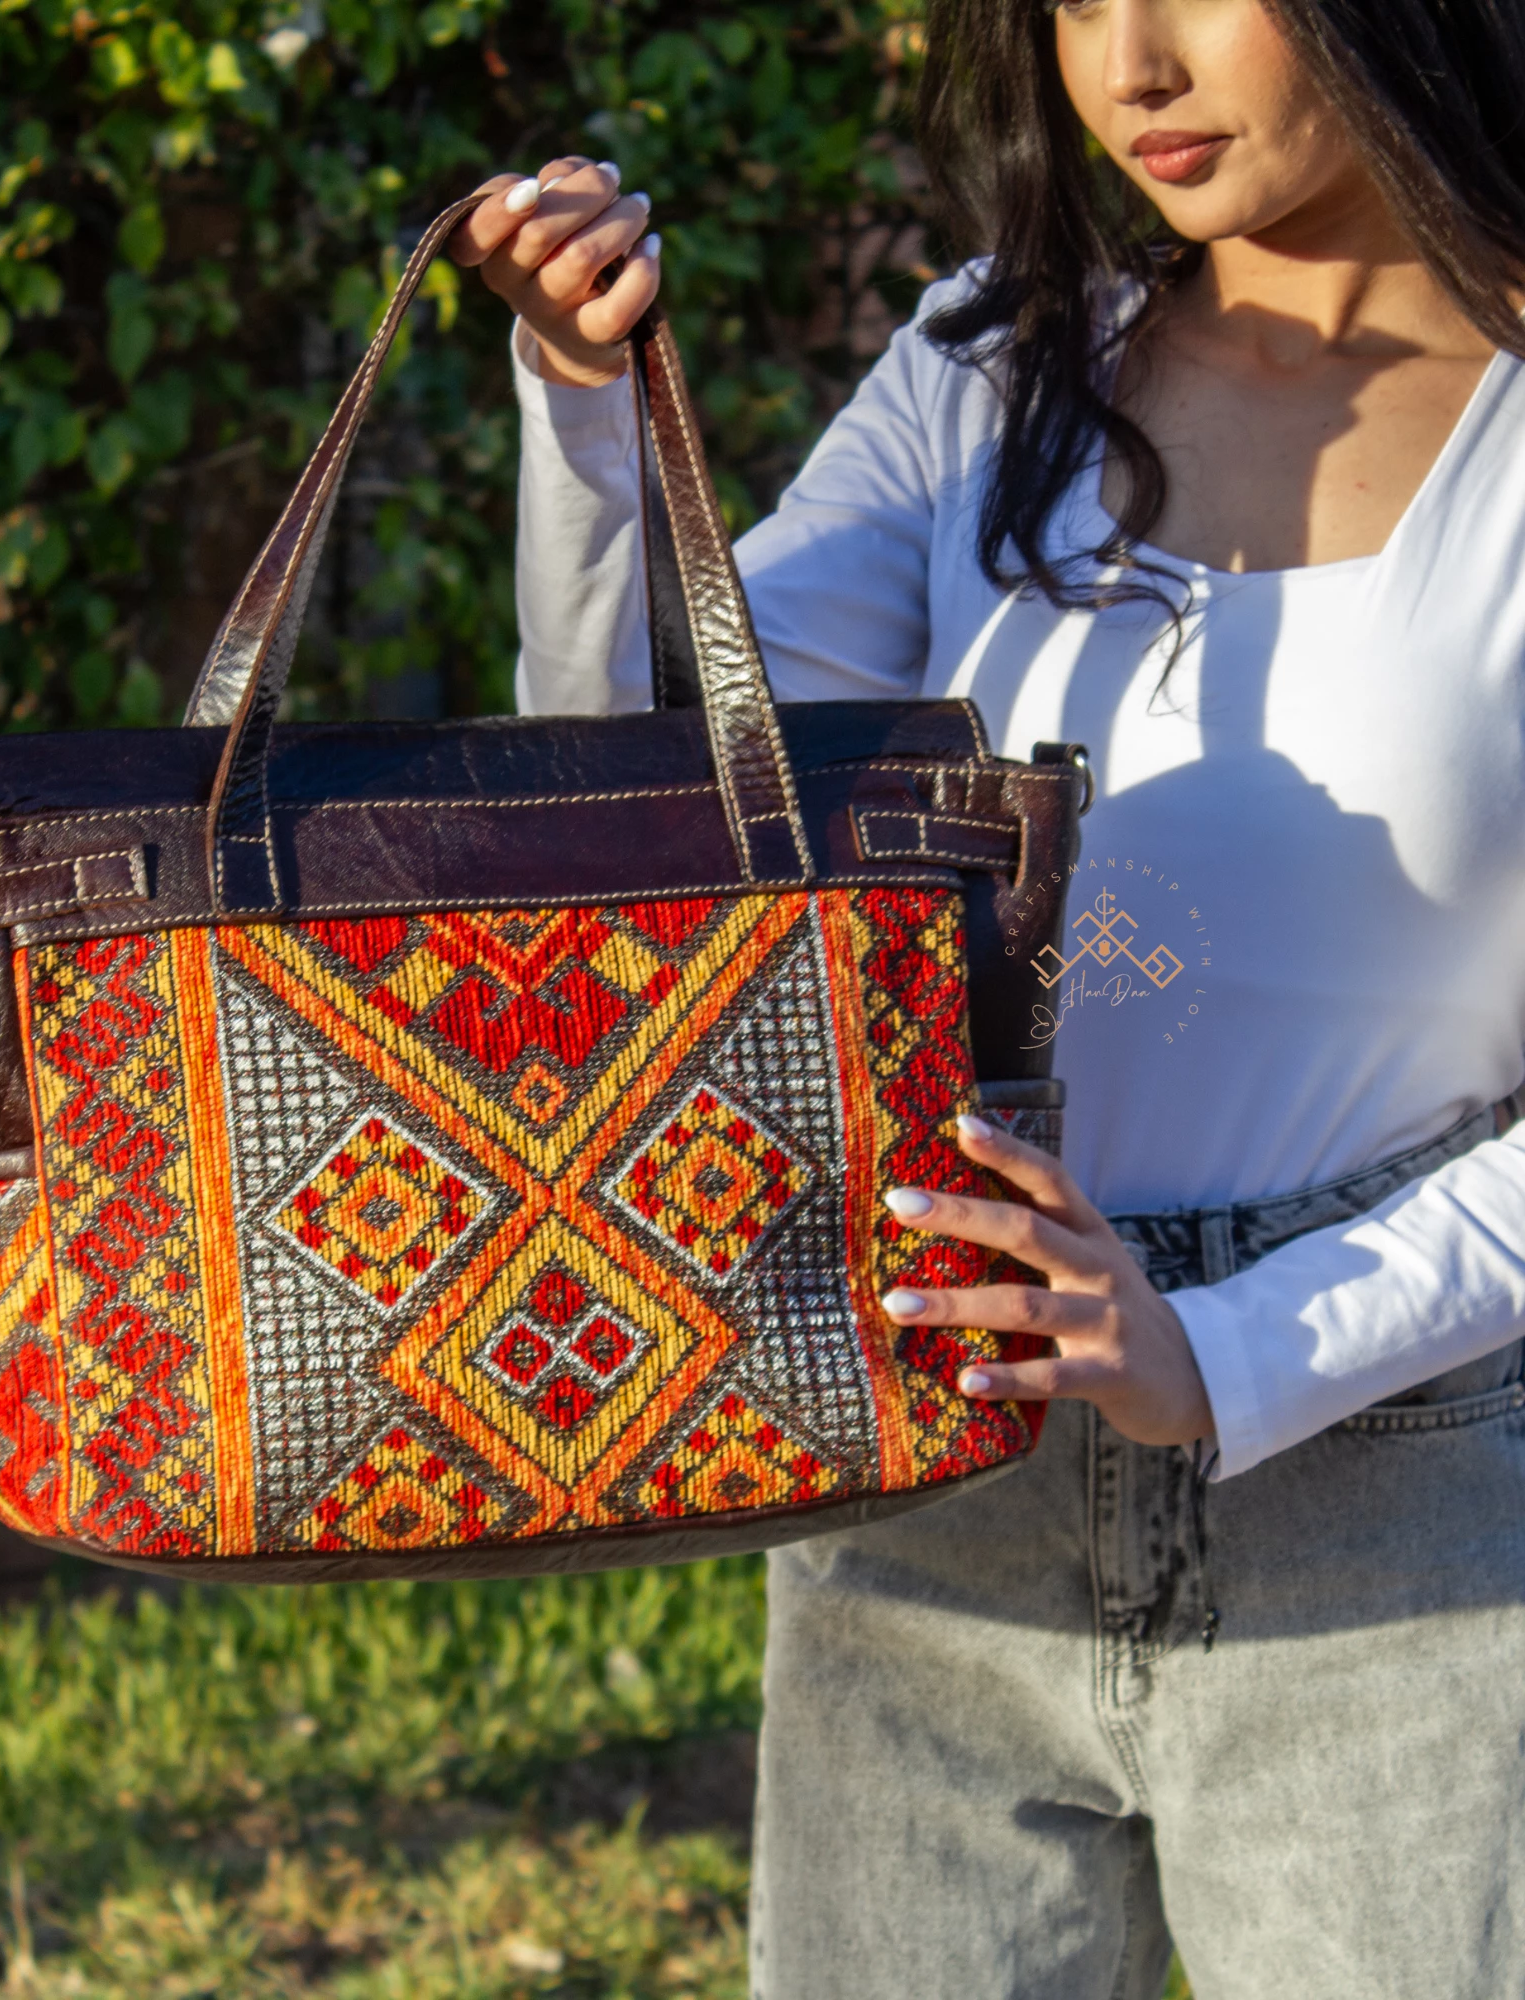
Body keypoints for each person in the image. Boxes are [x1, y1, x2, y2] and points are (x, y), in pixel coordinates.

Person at [447, 0, 1525, 1993]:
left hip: (1405, 1489)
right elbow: (648, 824)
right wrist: (585, 411)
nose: (1126, 70)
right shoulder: (986, 374)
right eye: (1072, 1)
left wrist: (1225, 1343)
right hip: (941, 1439)